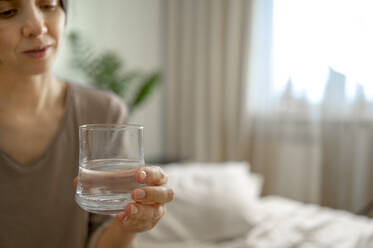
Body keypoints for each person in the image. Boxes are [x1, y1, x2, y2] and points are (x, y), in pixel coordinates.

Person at [0, 0, 174, 247]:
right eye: (7, 12)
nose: (37, 27)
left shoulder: (103, 112)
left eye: (48, 5)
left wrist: (130, 224)